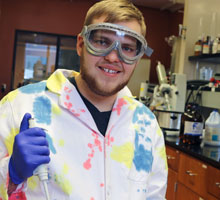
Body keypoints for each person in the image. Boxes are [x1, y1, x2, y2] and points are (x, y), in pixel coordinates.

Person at [0, 0, 168, 199]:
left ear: (138, 57)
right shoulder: (18, 106)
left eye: (128, 48)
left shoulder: (146, 124)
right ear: (81, 44)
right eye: (103, 42)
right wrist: (11, 172)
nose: (114, 57)